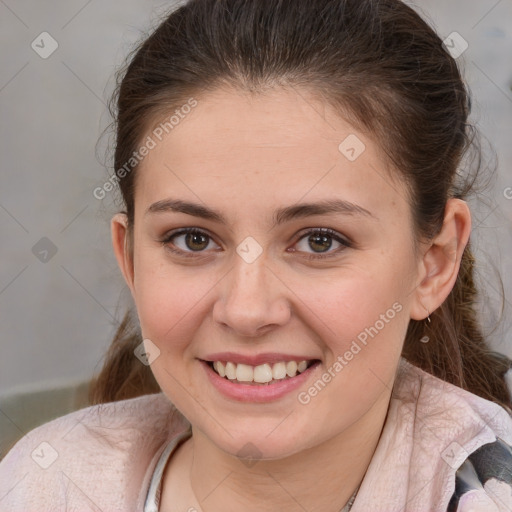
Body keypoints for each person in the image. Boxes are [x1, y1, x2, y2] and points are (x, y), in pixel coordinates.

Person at [1, 0, 512, 510]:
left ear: (434, 262)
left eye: (319, 241)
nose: (246, 311)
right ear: (131, 259)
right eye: (192, 239)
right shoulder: (42, 485)